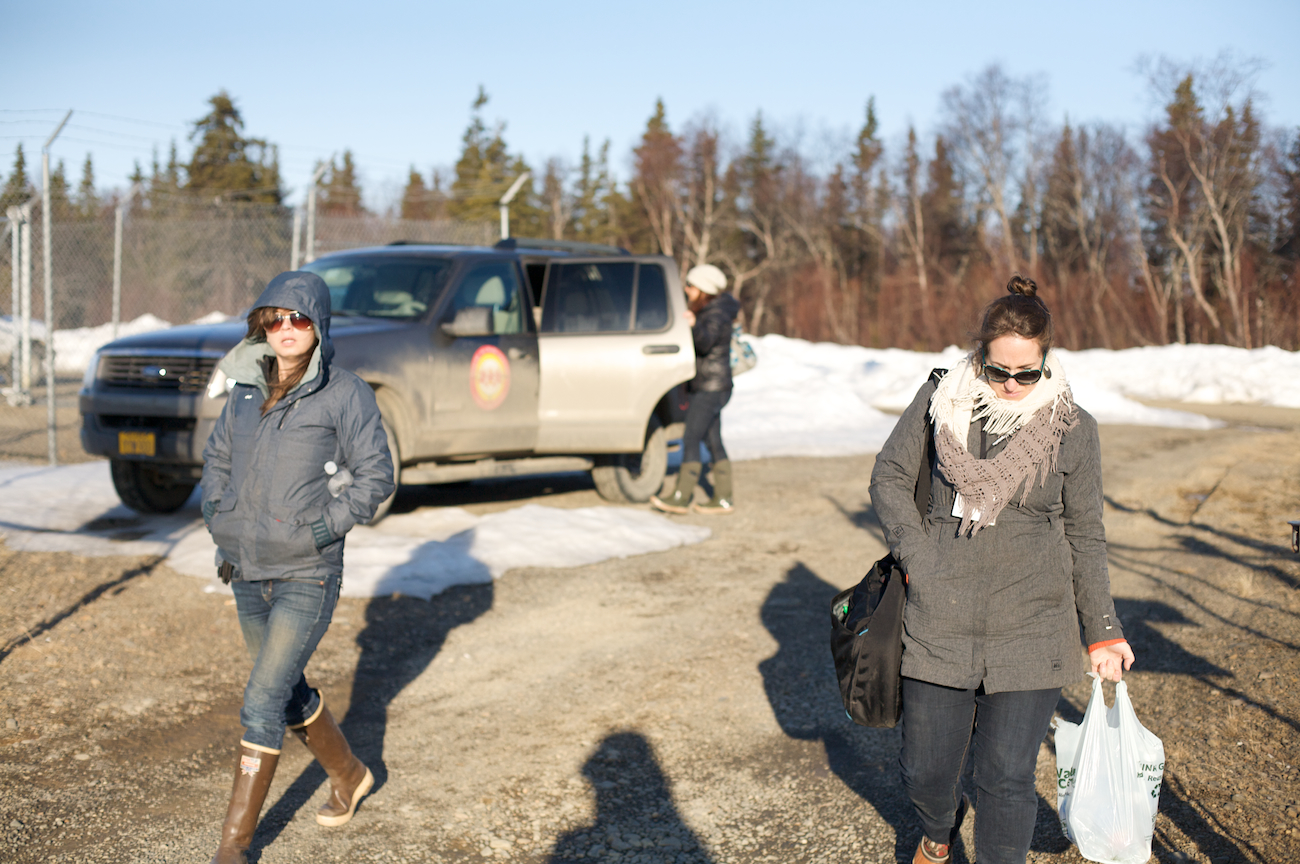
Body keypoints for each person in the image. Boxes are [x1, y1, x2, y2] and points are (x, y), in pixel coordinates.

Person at [868, 276, 1134, 864]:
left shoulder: (1073, 428)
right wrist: (920, 556)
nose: (1012, 385)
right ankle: (938, 829)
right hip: (939, 618)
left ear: (1046, 362)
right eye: (998, 371)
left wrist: (1103, 627)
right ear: (979, 357)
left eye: (1027, 374)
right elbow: (888, 477)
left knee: (1007, 777)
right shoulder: (940, 402)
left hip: (1033, 626)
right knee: (926, 770)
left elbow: (1086, 533)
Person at [201, 271, 395, 864]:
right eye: (276, 318)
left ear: (319, 325)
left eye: (300, 319)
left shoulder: (345, 392)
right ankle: (352, 774)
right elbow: (218, 459)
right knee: (283, 690)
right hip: (246, 569)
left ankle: (234, 846)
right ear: (262, 323)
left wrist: (320, 529)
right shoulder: (242, 389)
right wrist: (220, 517)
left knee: (260, 700)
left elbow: (375, 477)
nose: (287, 329)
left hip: (307, 573)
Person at [651, 263, 741, 515]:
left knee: (691, 437)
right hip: (713, 384)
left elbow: (705, 343)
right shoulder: (715, 309)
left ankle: (680, 497)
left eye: (690, 285)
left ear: (702, 289)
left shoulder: (715, 313)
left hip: (711, 386)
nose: (687, 289)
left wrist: (692, 325)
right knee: (713, 440)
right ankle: (724, 498)